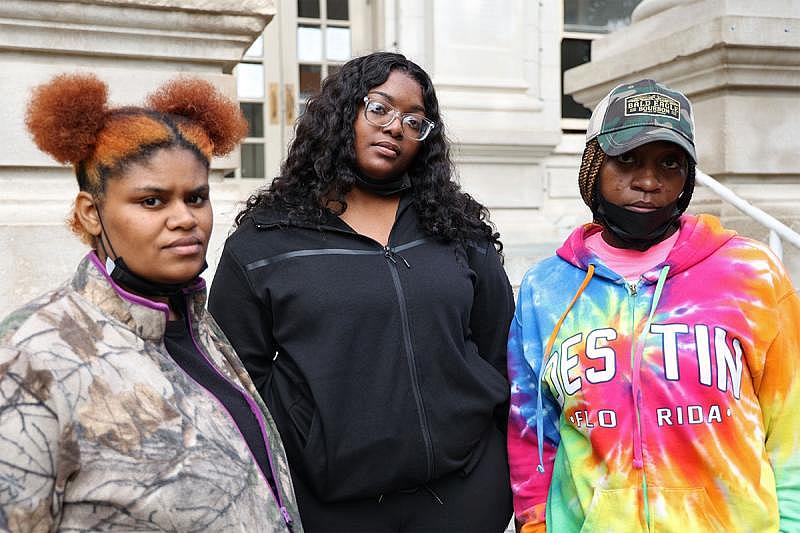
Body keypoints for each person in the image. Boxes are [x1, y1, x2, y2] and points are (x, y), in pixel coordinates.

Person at [208, 51, 514, 532]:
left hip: (465, 493)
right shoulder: (265, 243)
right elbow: (236, 381)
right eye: (380, 108)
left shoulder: (456, 229)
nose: (396, 127)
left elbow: (498, 346)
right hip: (332, 507)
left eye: (415, 121)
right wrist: (306, 445)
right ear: (341, 112)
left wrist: (494, 460)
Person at [0, 73, 302, 532]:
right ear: (90, 213)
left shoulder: (196, 324)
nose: (184, 219)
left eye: (196, 197)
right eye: (152, 201)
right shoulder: (30, 355)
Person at [507, 79, 800, 532]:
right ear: (593, 166)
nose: (648, 181)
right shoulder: (545, 288)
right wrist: (536, 524)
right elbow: (532, 428)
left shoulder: (750, 272)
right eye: (626, 160)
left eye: (670, 163)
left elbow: (791, 428)